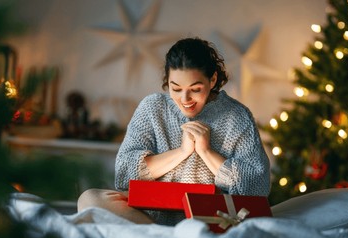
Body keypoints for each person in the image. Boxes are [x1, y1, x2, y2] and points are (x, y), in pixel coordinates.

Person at [77, 37, 270, 225]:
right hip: (150, 215)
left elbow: (257, 188)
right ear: (167, 81)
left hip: (209, 217)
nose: (185, 98)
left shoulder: (237, 116)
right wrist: (182, 152)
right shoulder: (152, 107)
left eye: (195, 89)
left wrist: (206, 152)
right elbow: (124, 174)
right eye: (176, 88)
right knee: (90, 199)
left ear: (212, 79)